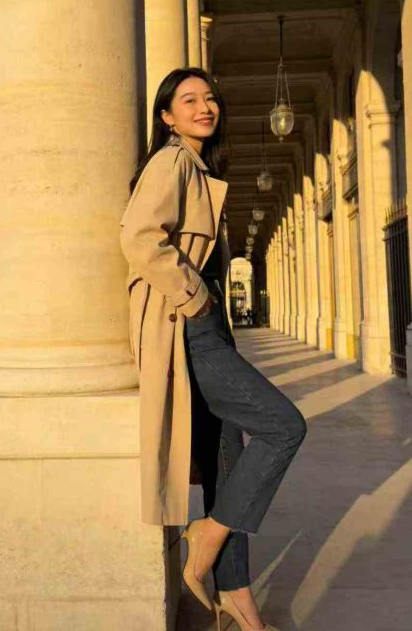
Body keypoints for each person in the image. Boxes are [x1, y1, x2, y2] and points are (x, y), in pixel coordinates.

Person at [119, 67, 307, 631]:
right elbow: (139, 237)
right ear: (167, 116)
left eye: (210, 98)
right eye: (189, 100)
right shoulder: (172, 161)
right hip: (188, 326)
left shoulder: (197, 166)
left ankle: (239, 600)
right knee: (284, 426)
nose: (205, 107)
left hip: (207, 323)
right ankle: (209, 532)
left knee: (227, 461)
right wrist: (196, 296)